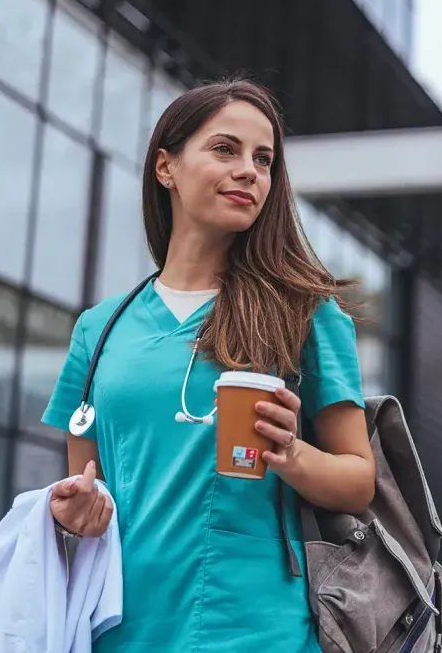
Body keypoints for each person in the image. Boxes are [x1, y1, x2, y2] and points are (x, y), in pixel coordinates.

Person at [40, 77, 376, 652]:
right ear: (165, 167)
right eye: (226, 149)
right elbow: (88, 493)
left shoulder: (305, 314)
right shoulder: (100, 330)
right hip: (120, 630)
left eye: (264, 159)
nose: (250, 171)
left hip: (255, 630)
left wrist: (291, 453)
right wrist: (75, 513)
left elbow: (357, 482)